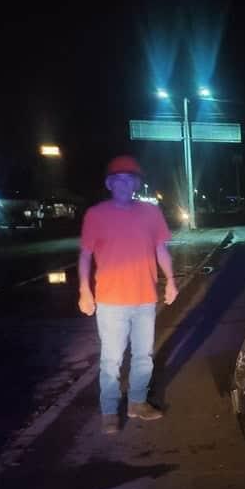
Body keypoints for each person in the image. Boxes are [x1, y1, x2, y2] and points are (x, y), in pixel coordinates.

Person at [78, 155, 178, 434]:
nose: (124, 184)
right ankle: (109, 411)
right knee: (111, 359)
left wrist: (170, 281)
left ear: (136, 184)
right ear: (110, 184)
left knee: (144, 356)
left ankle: (137, 403)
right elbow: (85, 256)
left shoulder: (151, 213)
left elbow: (161, 250)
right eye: (118, 179)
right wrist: (84, 291)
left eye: (129, 179)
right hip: (110, 301)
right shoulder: (96, 215)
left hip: (145, 298)